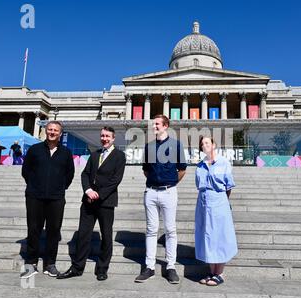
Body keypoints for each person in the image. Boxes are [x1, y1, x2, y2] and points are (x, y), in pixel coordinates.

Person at [57, 127, 126, 281]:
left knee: (106, 235)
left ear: (113, 138)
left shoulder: (119, 156)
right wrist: (88, 190)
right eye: (102, 136)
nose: (104, 138)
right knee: (83, 234)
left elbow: (116, 179)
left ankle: (102, 269)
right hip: (88, 201)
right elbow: (85, 174)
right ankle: (77, 267)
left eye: (108, 136)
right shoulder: (94, 154)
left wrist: (99, 195)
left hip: (106, 201)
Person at [134, 115, 187, 284]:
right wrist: (155, 182)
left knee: (170, 230)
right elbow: (146, 170)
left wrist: (169, 183)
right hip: (150, 192)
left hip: (169, 192)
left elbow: (182, 169)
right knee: (151, 230)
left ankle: (170, 267)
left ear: (165, 126)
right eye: (153, 124)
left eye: (157, 124)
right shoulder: (148, 147)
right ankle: (149, 267)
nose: (154, 126)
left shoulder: (176, 145)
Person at [20, 121, 75, 279]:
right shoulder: (34, 150)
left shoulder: (66, 152)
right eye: (50, 129)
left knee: (54, 230)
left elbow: (69, 174)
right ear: (45, 131)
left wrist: (59, 187)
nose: (52, 132)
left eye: (55, 130)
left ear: (60, 133)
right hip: (34, 197)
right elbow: (26, 171)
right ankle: (31, 264)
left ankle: (50, 264)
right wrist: (34, 185)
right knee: (33, 229)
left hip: (56, 198)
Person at [194, 136, 238, 286]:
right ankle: (211, 272)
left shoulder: (224, 162)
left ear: (213, 145)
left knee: (220, 236)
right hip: (203, 203)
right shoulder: (200, 166)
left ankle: (219, 273)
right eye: (202, 144)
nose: (204, 145)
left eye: (207, 142)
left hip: (219, 202)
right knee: (207, 236)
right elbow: (198, 185)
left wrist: (223, 203)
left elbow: (228, 187)